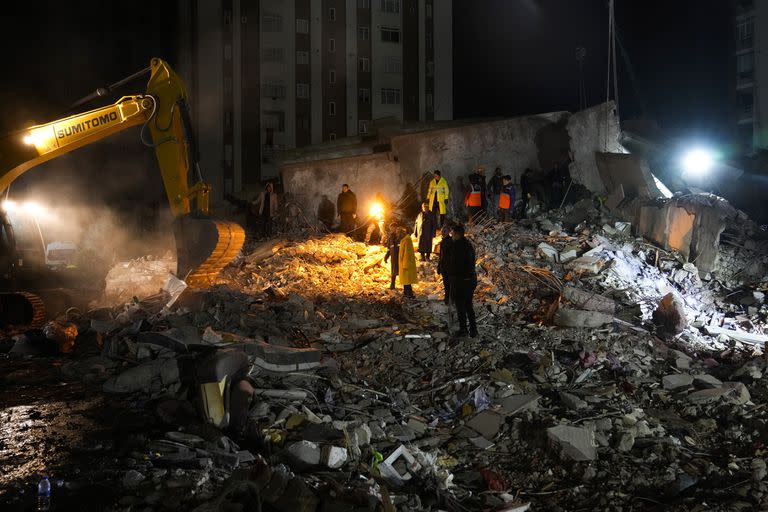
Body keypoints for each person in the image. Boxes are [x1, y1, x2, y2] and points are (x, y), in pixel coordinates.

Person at [446, 224, 477, 337]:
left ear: (457, 234)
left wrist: (452, 276)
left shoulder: (458, 247)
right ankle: (473, 330)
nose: (451, 236)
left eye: (452, 234)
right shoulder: (468, 245)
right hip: (470, 279)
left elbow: (456, 265)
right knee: (468, 305)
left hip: (462, 281)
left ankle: (463, 330)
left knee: (460, 305)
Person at [436, 220, 455, 305]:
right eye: (442, 231)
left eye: (445, 231)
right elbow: (441, 256)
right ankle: (447, 299)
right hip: (444, 267)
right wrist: (439, 267)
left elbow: (453, 256)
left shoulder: (451, 241)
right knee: (446, 285)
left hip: (449, 268)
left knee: (450, 285)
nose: (443, 233)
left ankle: (450, 299)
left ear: (448, 232)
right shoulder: (443, 242)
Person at [398, 227, 418, 298]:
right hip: (404, 263)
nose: (398, 235)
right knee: (405, 281)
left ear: (402, 233)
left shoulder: (407, 240)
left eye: (399, 233)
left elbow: (407, 253)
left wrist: (405, 264)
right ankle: (406, 293)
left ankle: (409, 294)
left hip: (406, 264)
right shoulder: (403, 240)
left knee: (407, 281)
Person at [383, 223, 402, 290]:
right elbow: (389, 248)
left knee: (403, 272)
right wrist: (386, 257)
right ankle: (392, 284)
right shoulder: (390, 237)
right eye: (391, 228)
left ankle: (407, 287)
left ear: (396, 227)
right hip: (394, 257)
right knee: (393, 271)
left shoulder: (400, 236)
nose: (392, 230)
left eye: (393, 228)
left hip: (400, 257)